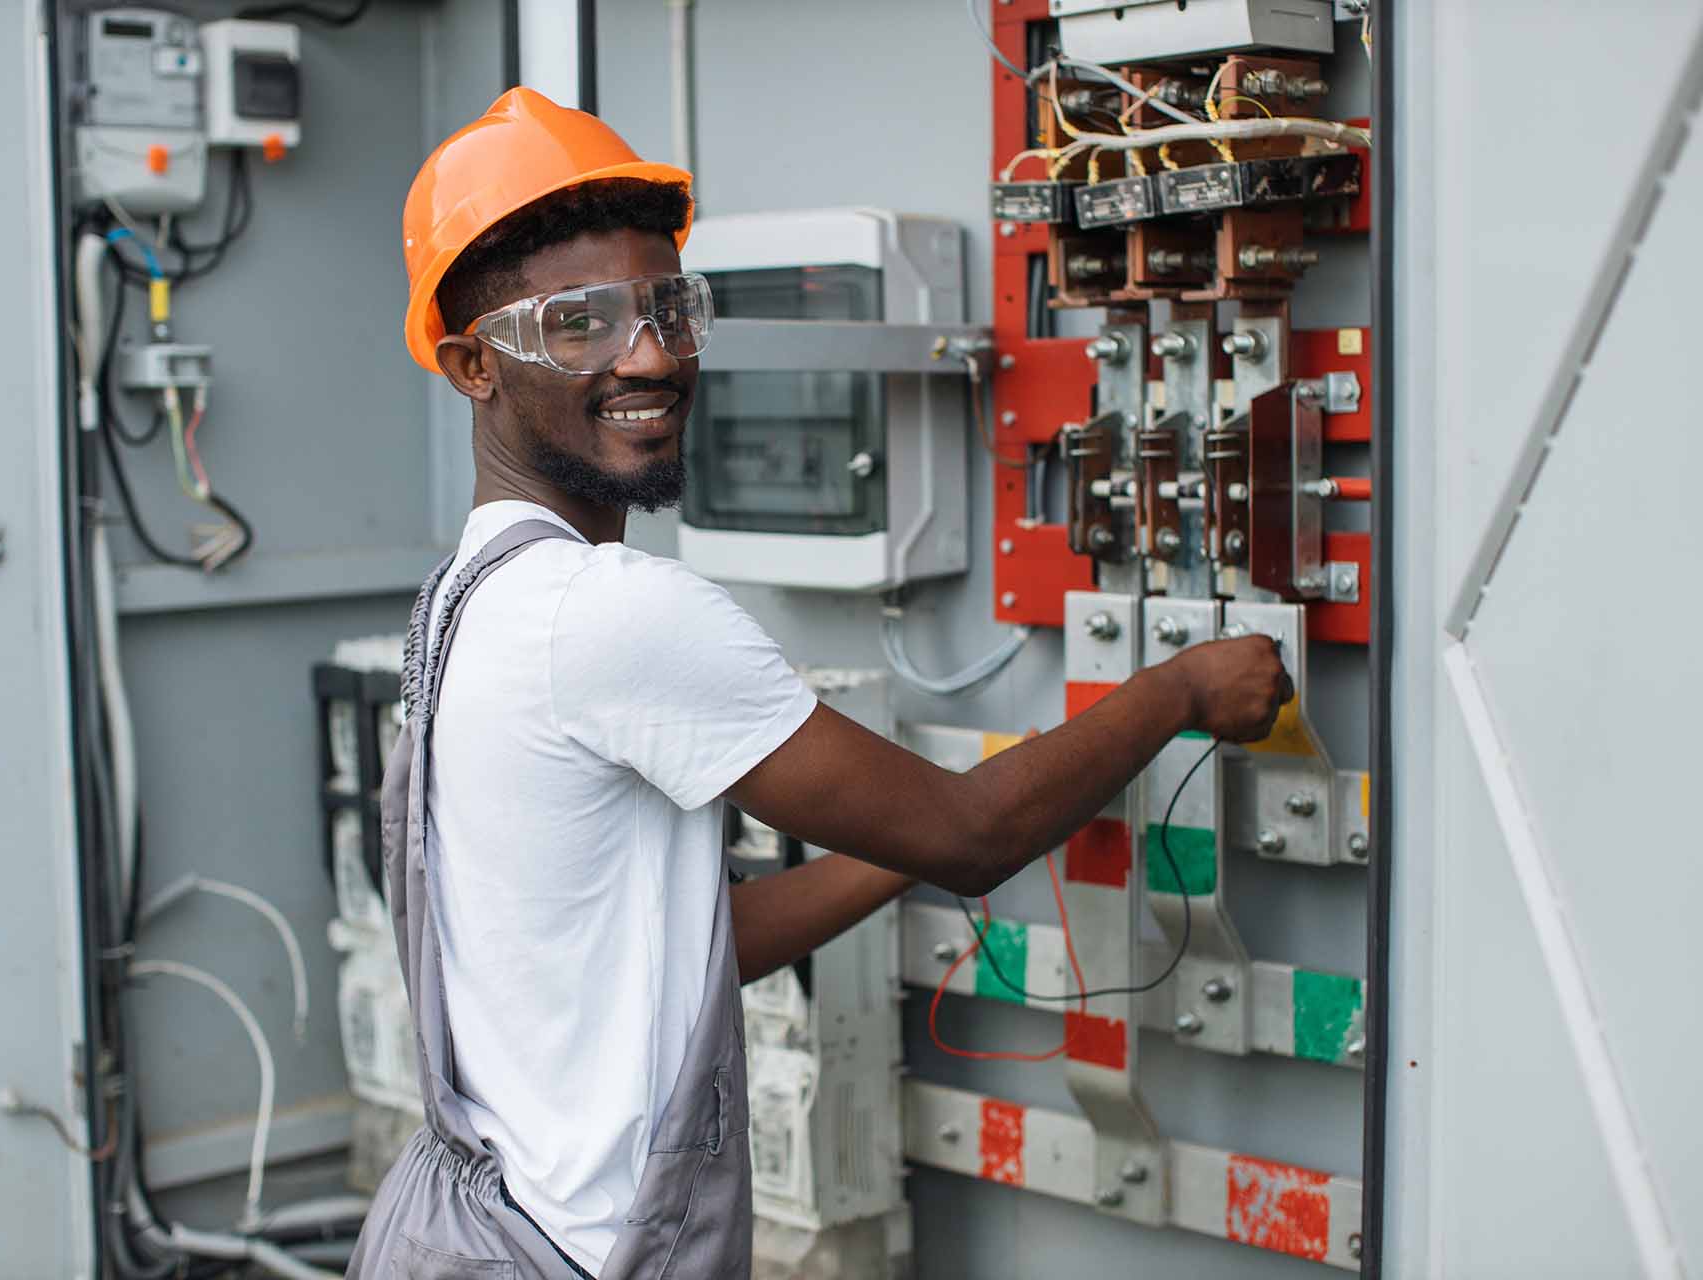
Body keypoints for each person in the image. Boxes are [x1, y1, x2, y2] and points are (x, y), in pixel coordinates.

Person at [347, 88, 1289, 1280]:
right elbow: (974, 836)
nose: (649, 355)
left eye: (667, 307)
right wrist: (1181, 691)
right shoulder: (611, 611)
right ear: (474, 365)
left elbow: (689, 948)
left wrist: (893, 825)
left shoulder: (462, 603)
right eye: (578, 322)